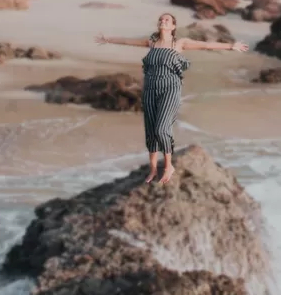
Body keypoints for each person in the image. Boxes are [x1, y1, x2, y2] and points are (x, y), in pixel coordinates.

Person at [95, 12, 248, 184]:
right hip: (150, 89)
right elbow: (127, 41)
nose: (163, 21)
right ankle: (153, 169)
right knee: (151, 131)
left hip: (170, 89)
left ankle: (169, 166)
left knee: (162, 129)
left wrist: (231, 46)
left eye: (167, 20)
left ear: (173, 26)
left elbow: (205, 44)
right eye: (161, 19)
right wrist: (107, 39)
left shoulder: (179, 43)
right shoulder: (152, 43)